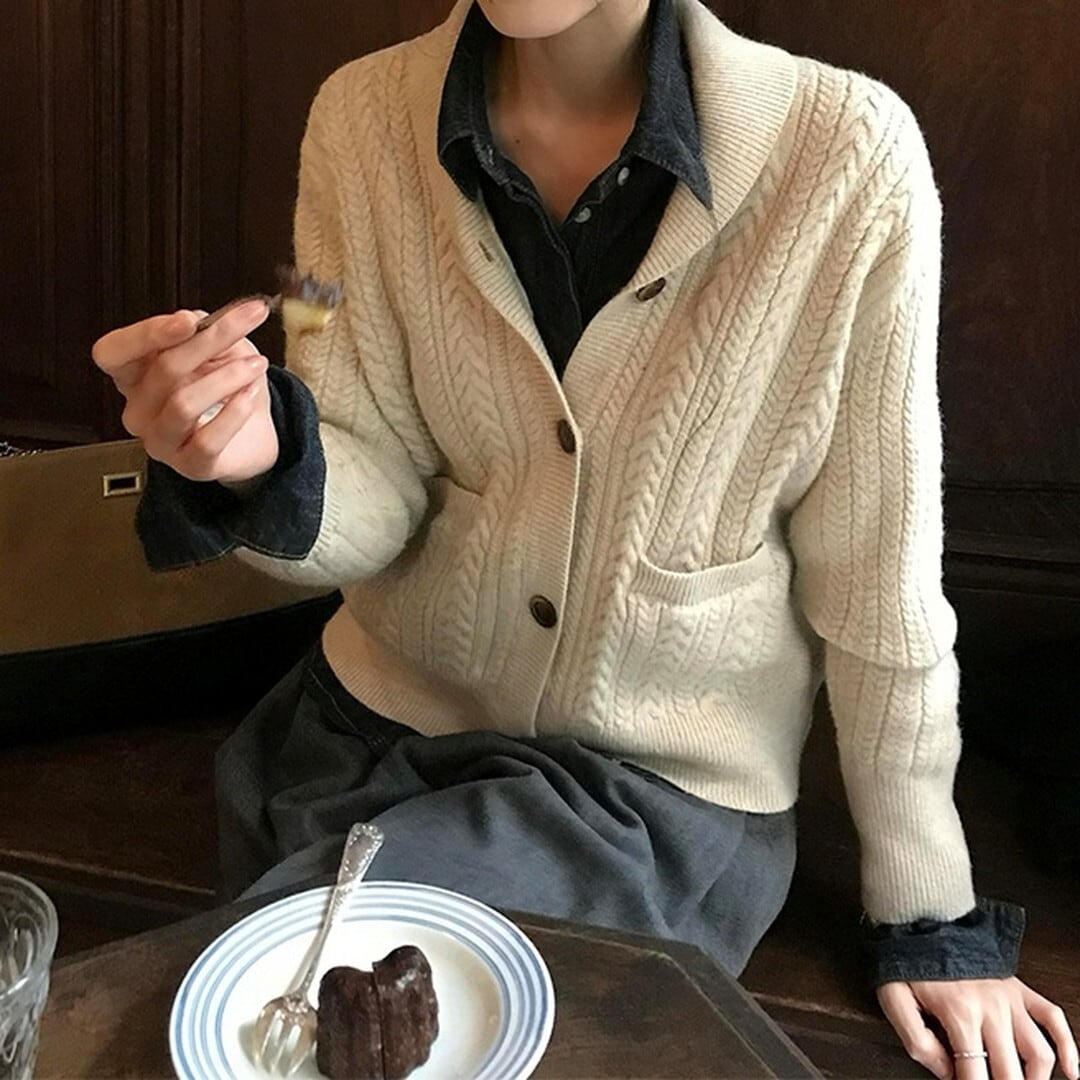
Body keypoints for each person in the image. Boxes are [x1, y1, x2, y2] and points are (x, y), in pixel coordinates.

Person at [92, 1, 1078, 1076]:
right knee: (262, 1024)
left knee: (270, 1024)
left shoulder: (850, 158)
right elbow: (374, 485)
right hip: (360, 743)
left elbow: (878, 573)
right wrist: (261, 456)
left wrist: (931, 915)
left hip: (648, 800)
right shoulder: (357, 119)